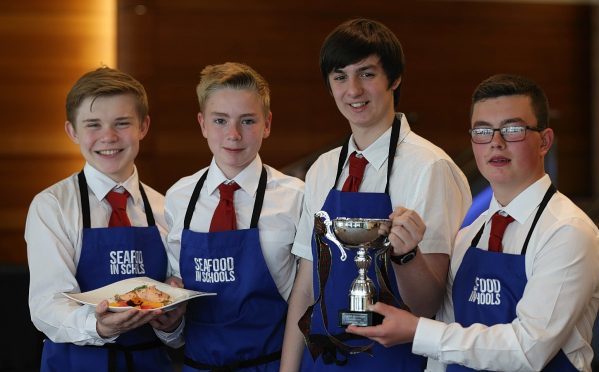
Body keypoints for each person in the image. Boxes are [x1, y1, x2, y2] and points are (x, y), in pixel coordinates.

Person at [347, 74, 599, 371]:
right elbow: (445, 343)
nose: (496, 143)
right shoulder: (469, 235)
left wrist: (418, 331)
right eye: (483, 131)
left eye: (512, 129)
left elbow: (529, 349)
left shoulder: (567, 232)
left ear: (544, 141)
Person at [280, 18, 472, 371]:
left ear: (394, 79)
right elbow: (307, 289)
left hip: (395, 360)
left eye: (366, 74)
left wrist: (407, 255)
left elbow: (431, 304)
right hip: (322, 359)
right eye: (340, 77)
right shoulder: (323, 169)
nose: (353, 90)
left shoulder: (430, 167)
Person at [26, 67, 184, 371]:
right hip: (75, 363)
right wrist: (99, 327)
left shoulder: (168, 208)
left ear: (143, 126)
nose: (108, 137)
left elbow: (177, 331)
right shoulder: (53, 206)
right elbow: (46, 306)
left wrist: (171, 325)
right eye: (93, 125)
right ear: (72, 131)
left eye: (122, 123)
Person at [161, 62, 304, 371]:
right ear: (202, 124)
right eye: (220, 120)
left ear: (267, 124)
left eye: (248, 120)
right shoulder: (177, 198)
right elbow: (175, 315)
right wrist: (168, 322)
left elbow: (307, 302)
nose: (234, 134)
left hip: (271, 365)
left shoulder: (297, 198)